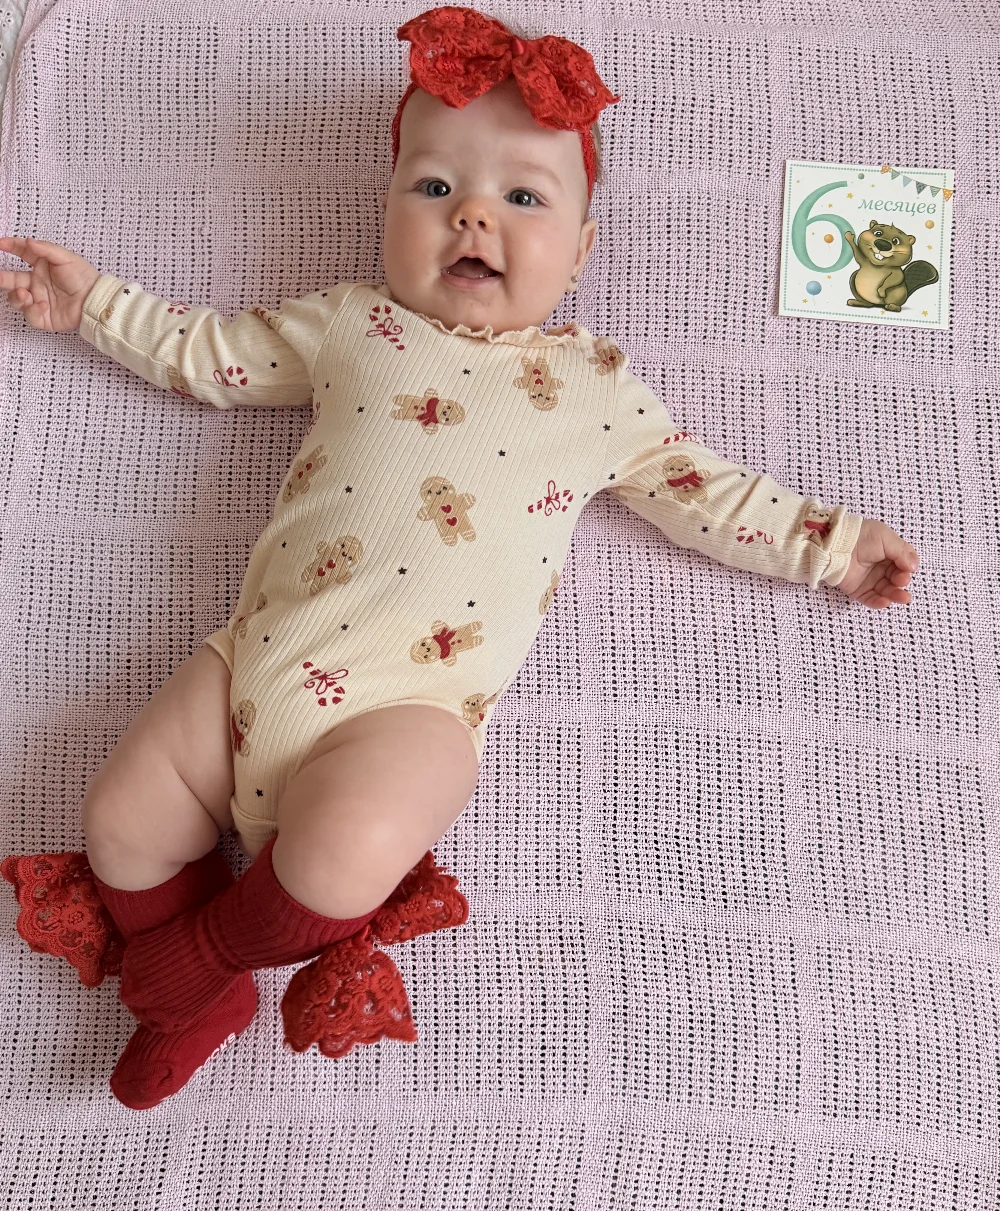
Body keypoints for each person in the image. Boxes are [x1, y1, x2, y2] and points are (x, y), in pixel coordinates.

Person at [0, 5, 919, 1110]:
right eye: (434, 187)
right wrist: (94, 304)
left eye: (523, 198)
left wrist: (832, 544)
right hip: (255, 661)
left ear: (580, 252)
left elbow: (706, 494)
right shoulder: (351, 325)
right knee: (121, 817)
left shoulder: (596, 391)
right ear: (385, 211)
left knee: (353, 842)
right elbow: (211, 355)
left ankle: (202, 958)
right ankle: (203, 994)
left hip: (413, 703)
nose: (473, 213)